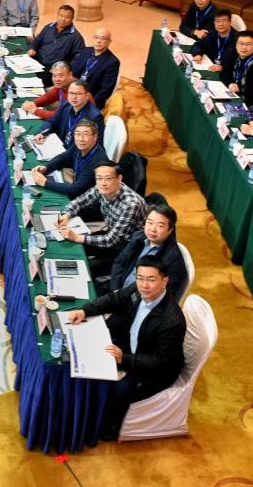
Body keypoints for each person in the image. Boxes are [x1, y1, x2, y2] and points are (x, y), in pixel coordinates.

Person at [66, 256, 186, 441]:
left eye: (151, 279)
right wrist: (85, 311)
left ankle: (106, 430)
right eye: (140, 278)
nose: (144, 285)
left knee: (118, 391)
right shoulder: (137, 290)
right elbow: (114, 299)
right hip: (130, 348)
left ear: (165, 281)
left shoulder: (172, 321)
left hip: (153, 371)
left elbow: (161, 361)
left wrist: (125, 359)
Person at [59, 161, 148, 276]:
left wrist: (77, 237)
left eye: (108, 178)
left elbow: (110, 240)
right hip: (111, 233)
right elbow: (79, 201)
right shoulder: (100, 188)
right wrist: (66, 215)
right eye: (99, 178)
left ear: (119, 178)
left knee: (86, 270)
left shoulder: (131, 204)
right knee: (71, 247)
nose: (103, 183)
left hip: (127, 246)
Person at [109, 205, 188, 298]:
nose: (153, 229)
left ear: (170, 230)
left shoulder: (173, 258)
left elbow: (166, 294)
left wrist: (127, 301)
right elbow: (120, 261)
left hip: (140, 300)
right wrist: (115, 290)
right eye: (150, 223)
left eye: (160, 226)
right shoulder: (138, 237)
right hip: (120, 289)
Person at [31, 121, 106, 198]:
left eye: (85, 134)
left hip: (88, 199)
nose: (81, 139)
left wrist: (45, 182)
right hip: (75, 184)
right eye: (78, 134)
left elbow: (77, 189)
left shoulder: (98, 161)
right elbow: (63, 158)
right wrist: (46, 167)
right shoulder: (80, 145)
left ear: (95, 136)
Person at [35, 80, 105, 150]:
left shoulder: (94, 117)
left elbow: (93, 146)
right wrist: (41, 133)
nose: (74, 97)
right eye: (71, 93)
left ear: (87, 96)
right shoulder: (66, 105)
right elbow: (53, 122)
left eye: (78, 94)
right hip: (60, 146)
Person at [70, 28, 121, 107]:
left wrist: (90, 104)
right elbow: (74, 71)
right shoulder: (85, 51)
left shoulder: (112, 62)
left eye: (103, 38)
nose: (98, 41)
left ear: (109, 42)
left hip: (90, 99)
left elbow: (106, 90)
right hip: (73, 91)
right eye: (96, 37)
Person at [27, 5, 84, 74]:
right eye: (61, 15)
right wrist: (32, 48)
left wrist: (64, 69)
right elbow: (37, 40)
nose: (63, 19)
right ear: (57, 15)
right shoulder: (49, 27)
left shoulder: (76, 36)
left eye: (67, 17)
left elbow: (79, 58)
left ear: (72, 18)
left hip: (53, 69)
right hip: (36, 61)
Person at [219, 30, 253, 106]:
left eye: (248, 44)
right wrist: (230, 84)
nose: (244, 47)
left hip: (247, 103)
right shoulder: (235, 56)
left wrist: (238, 88)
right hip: (233, 94)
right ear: (236, 45)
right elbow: (223, 74)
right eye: (241, 43)